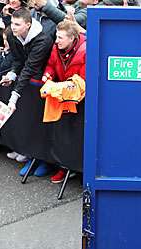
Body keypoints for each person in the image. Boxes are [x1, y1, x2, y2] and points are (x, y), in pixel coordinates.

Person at [0, 8, 53, 173]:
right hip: (26, 83)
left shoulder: (42, 40)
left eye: (17, 24)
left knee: (41, 124)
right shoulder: (13, 36)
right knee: (28, 121)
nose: (13, 27)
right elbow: (18, 60)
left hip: (43, 84)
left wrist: (13, 97)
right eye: (12, 23)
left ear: (28, 25)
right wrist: (12, 74)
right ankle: (29, 155)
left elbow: (30, 68)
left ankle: (43, 161)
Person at [41, 20, 86, 183]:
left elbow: (83, 79)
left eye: (60, 37)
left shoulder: (85, 50)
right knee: (62, 136)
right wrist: (47, 76)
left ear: (72, 38)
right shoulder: (56, 48)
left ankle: (79, 170)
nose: (56, 41)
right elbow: (51, 65)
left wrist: (63, 87)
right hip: (60, 96)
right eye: (56, 36)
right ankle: (63, 166)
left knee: (77, 136)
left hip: (79, 100)